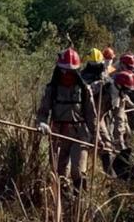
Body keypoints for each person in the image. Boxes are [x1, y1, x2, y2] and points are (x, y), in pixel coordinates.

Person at [36, 48, 97, 192]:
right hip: (58, 134)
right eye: (64, 71)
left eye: (71, 72)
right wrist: (42, 123)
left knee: (78, 171)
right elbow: (42, 112)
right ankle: (63, 202)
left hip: (79, 135)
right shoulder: (52, 89)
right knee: (59, 174)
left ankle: (80, 203)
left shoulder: (84, 90)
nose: (67, 75)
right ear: (59, 70)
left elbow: (91, 115)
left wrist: (97, 137)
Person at [81, 48, 116, 174]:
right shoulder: (83, 77)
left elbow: (111, 99)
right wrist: (94, 87)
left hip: (99, 116)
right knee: (83, 145)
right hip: (83, 117)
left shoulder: (105, 77)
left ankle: (110, 175)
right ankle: (80, 177)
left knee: (106, 144)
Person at [110, 70, 134, 179]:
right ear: (119, 85)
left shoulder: (122, 93)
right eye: (126, 90)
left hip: (122, 127)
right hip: (112, 131)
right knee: (116, 155)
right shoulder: (110, 96)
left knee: (125, 150)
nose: (127, 92)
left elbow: (127, 101)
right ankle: (115, 177)